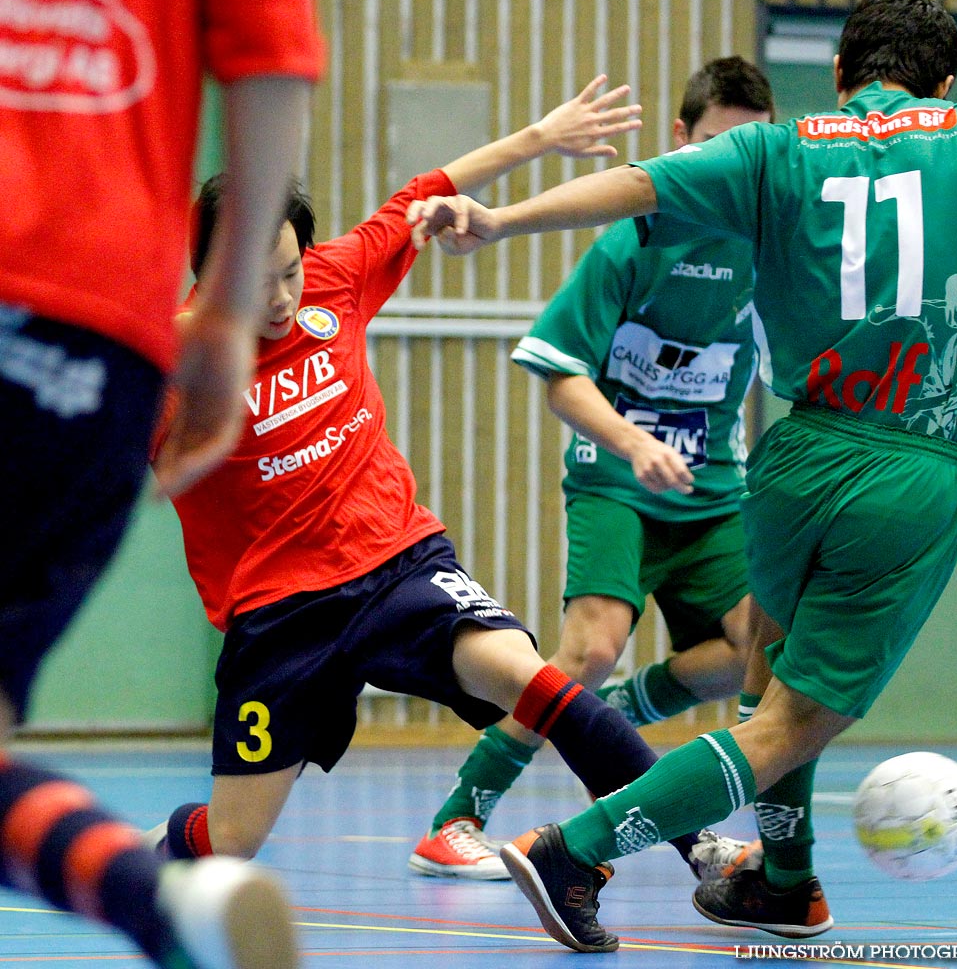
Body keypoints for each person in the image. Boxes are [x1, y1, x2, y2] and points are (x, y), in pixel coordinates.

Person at [407, 0, 957, 950]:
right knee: (788, 725)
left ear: (843, 74)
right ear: (944, 78)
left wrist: (498, 219)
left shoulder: (775, 149)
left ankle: (784, 881)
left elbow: (640, 184)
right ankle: (577, 848)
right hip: (905, 468)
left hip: (785, 463)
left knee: (766, 676)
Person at [142, 77, 733, 884]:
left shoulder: (336, 281)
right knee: (234, 840)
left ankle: (698, 846)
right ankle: (149, 854)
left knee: (536, 681)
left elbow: (428, 193)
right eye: (254, 278)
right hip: (278, 616)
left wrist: (541, 134)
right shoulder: (168, 372)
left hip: (398, 566)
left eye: (289, 270)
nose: (280, 298)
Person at [0, 0, 323, 965]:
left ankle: (153, 900)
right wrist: (225, 312)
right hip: (94, 336)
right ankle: (164, 907)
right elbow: (273, 57)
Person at [408, 57, 774, 880]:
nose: (726, 169)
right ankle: (456, 817)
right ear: (679, 141)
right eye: (712, 145)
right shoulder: (634, 239)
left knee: (760, 643)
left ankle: (626, 715)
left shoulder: (768, 252)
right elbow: (561, 378)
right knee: (589, 650)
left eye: (745, 151)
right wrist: (633, 442)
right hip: (616, 478)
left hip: (713, 491)